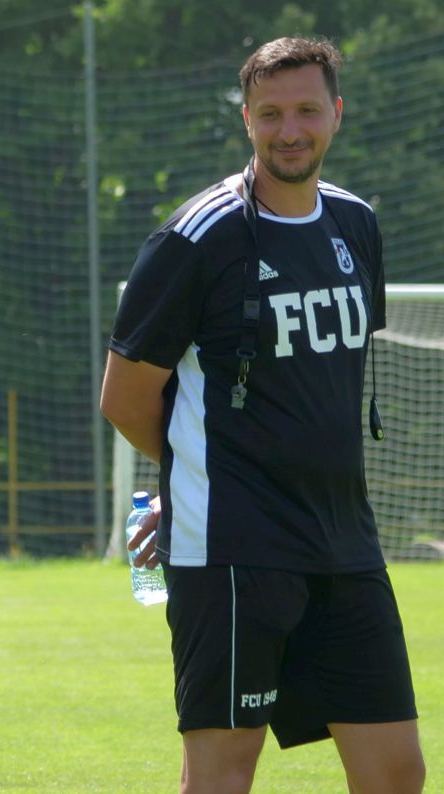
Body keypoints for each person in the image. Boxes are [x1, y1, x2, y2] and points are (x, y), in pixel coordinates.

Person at [101, 37, 425, 794]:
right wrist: (194, 485)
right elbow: (124, 396)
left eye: (307, 110)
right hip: (234, 550)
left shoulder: (356, 225)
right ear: (246, 119)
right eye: (271, 113)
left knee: (396, 774)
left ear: (336, 114)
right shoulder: (195, 238)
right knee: (220, 780)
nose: (290, 130)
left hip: (346, 542)